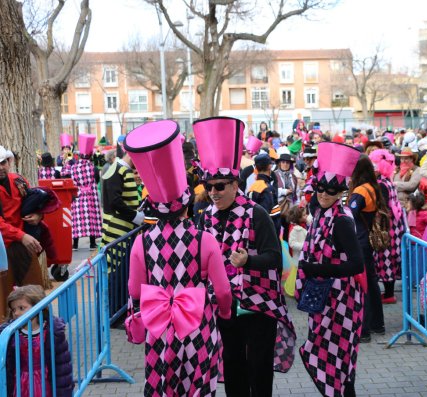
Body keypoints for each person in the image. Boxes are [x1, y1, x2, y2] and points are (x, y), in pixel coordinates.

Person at [124, 120, 232, 396]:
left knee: (164, 387)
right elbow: (222, 290)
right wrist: (225, 312)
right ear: (188, 205)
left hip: (160, 328)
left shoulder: (141, 241)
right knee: (197, 388)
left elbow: (135, 290)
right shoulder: (204, 239)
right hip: (199, 324)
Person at [193, 116, 296, 397]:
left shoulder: (256, 213)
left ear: (235, 185)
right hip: (224, 304)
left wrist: (247, 261)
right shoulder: (205, 217)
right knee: (232, 367)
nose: (213, 192)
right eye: (209, 186)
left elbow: (274, 257)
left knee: (259, 371)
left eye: (220, 186)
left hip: (258, 306)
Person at [296, 142, 365, 397]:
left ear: (340, 192)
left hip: (342, 301)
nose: (324, 194)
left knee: (339, 358)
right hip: (324, 297)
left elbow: (357, 264)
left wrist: (319, 268)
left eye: (331, 190)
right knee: (329, 356)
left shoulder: (342, 221)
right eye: (321, 188)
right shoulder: (321, 211)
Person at [1, 285, 73, 397]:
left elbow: (62, 367)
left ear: (38, 307)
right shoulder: (9, 333)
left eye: (21, 308)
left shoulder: (53, 332)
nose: (16, 313)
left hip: (44, 382)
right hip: (18, 383)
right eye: (13, 309)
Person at [0, 146, 45, 319]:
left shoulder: (19, 181)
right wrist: (22, 236)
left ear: (8, 162)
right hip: (3, 249)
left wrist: (38, 216)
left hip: (23, 246)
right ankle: (6, 341)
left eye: (3, 162)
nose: (1, 167)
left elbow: (35, 205)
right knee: (3, 301)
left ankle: (43, 331)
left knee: (36, 293)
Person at [348, 155, 386, 342]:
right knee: (371, 284)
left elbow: (349, 214)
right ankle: (378, 324)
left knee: (362, 286)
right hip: (367, 240)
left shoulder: (361, 191)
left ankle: (364, 329)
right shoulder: (374, 187)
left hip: (360, 241)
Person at [368, 149, 406, 303]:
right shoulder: (387, 181)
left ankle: (389, 294)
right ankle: (389, 293)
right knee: (389, 258)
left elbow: (382, 208)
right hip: (392, 225)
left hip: (386, 227)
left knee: (386, 258)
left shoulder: (381, 184)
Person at [100, 151, 144, 246]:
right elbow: (115, 201)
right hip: (115, 229)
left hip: (122, 229)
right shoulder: (118, 169)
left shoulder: (120, 169)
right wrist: (135, 216)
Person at [69, 134, 102, 251]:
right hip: (90, 197)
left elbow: (70, 180)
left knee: (77, 219)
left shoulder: (73, 168)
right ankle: (92, 243)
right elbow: (97, 180)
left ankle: (75, 244)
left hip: (78, 196)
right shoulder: (94, 168)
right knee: (91, 218)